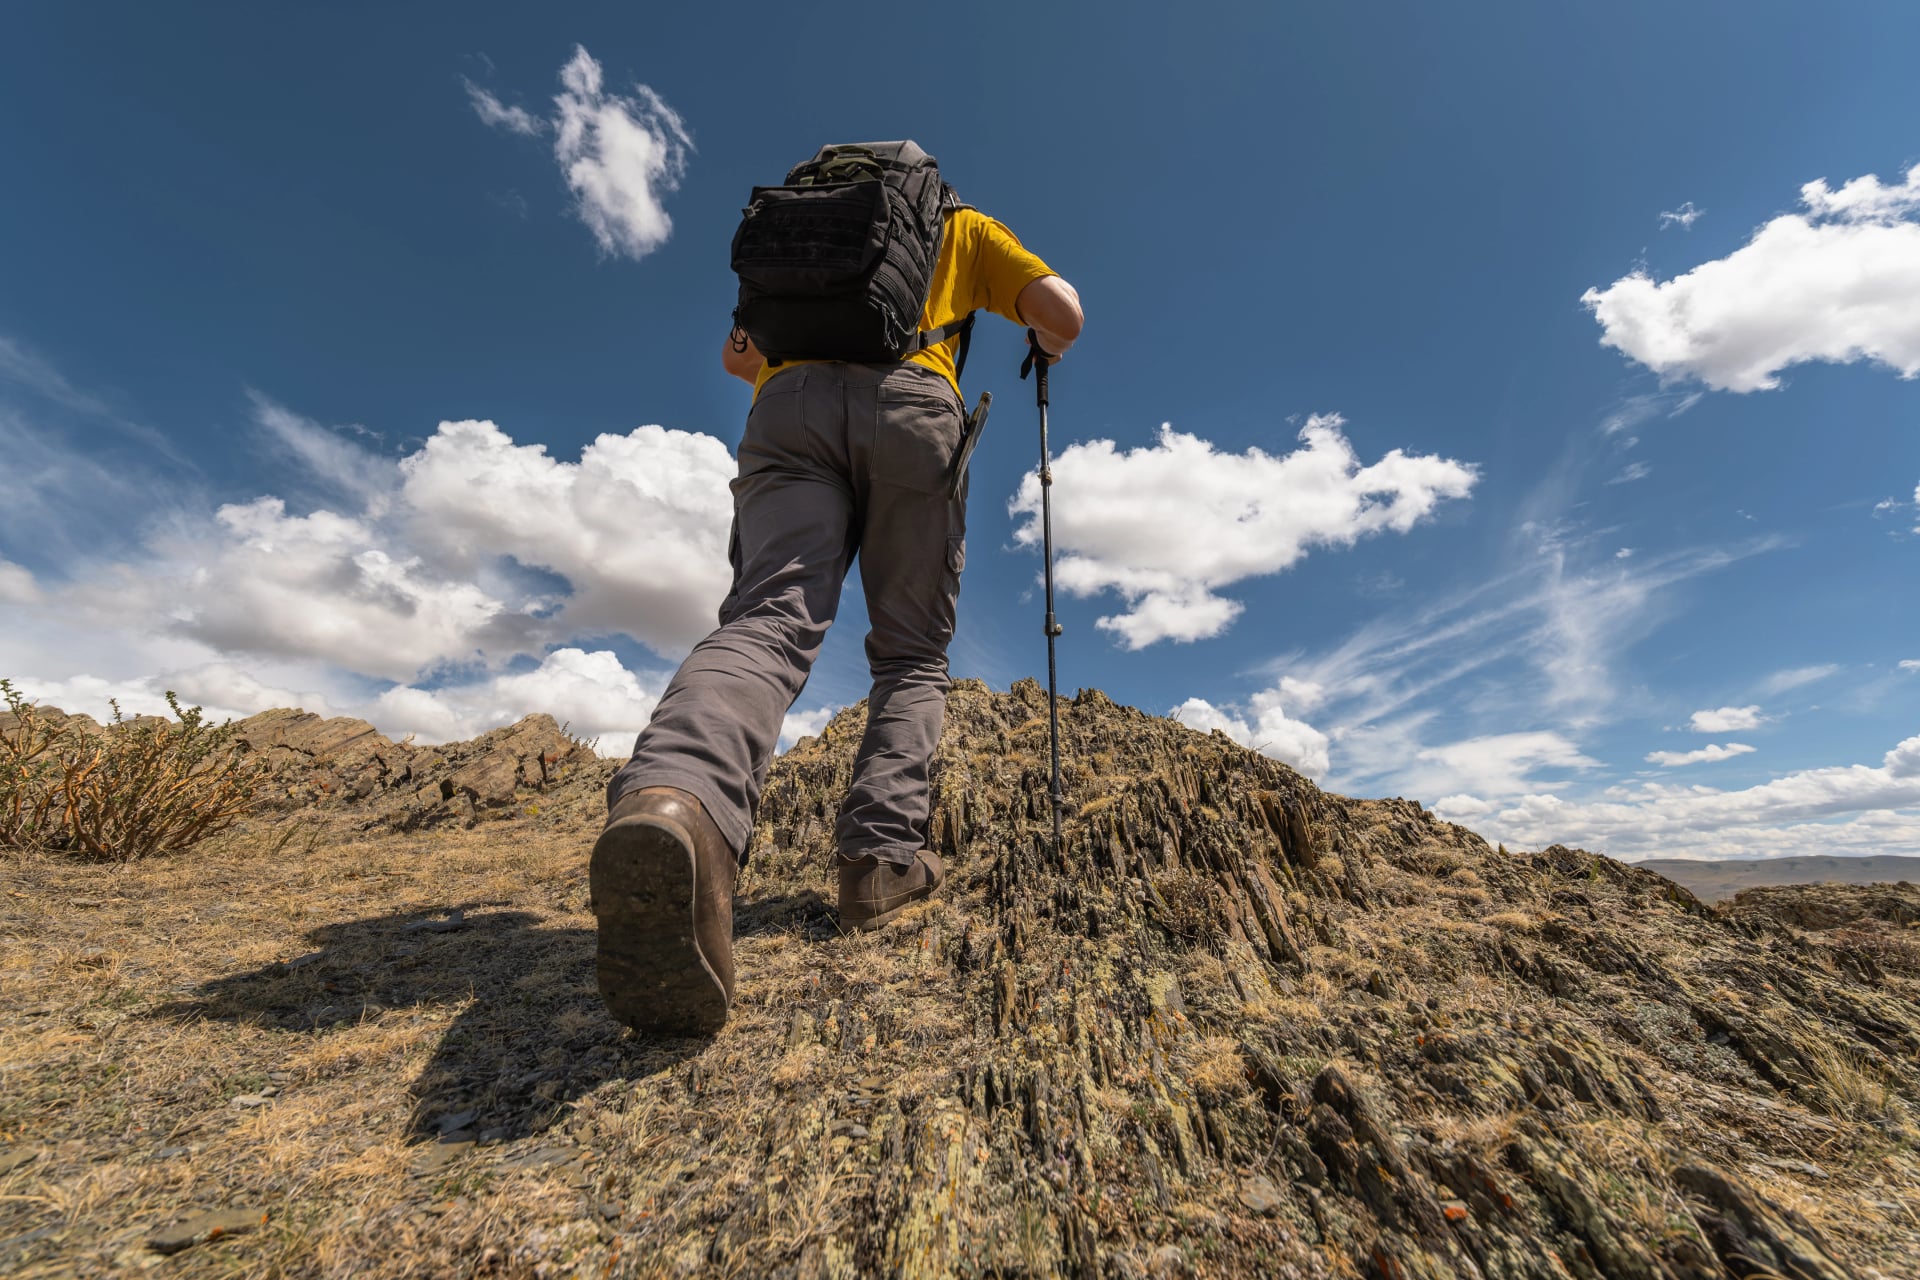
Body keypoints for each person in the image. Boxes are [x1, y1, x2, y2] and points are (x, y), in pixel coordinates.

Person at [591, 152, 1083, 1035]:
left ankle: (676, 798)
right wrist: (1042, 343)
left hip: (788, 410)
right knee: (913, 654)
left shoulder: (800, 229)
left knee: (767, 620)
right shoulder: (958, 226)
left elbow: (738, 357)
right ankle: (879, 863)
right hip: (914, 410)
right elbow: (1063, 313)